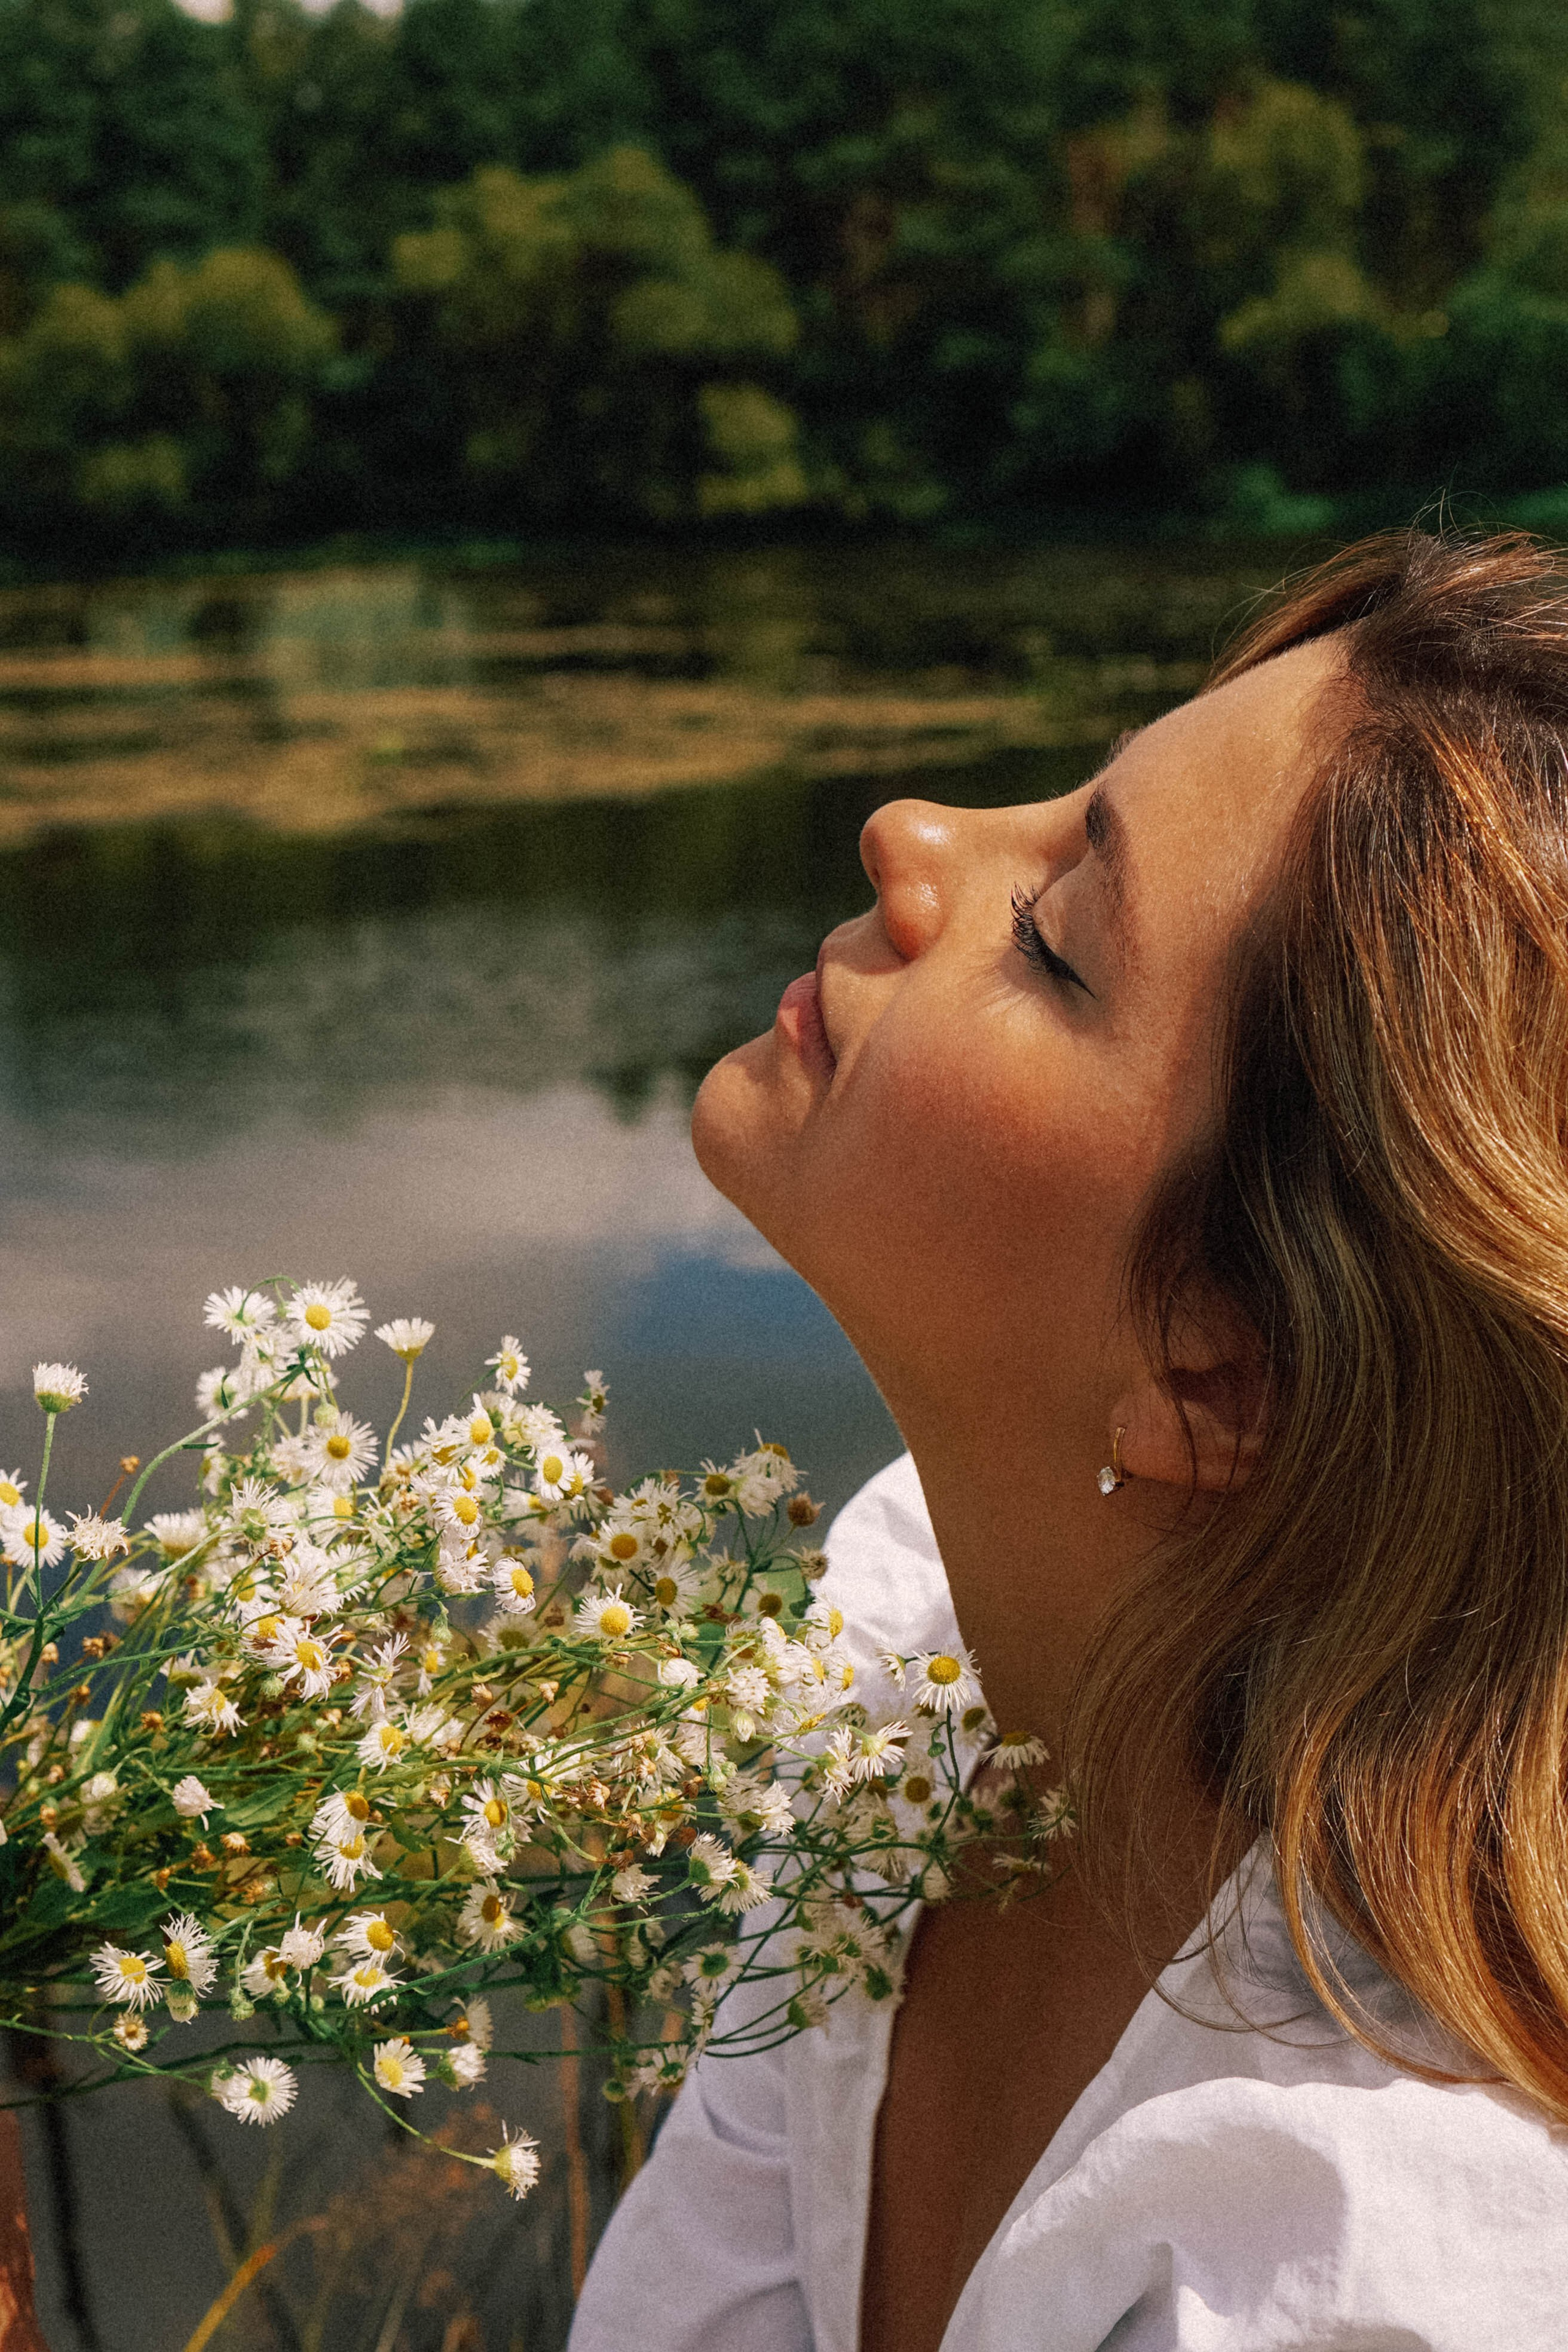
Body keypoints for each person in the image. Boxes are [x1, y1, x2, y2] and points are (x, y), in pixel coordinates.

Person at [568, 530, 1568, 2351]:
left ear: (1222, 1377)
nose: (909, 829)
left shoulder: (1354, 2273)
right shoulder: (916, 1676)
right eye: (1074, 797)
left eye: (1052, 939)